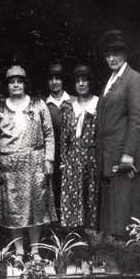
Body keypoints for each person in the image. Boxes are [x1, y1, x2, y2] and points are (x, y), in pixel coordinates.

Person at [0, 65, 56, 259]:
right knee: (13, 210)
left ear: (25, 83)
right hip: (9, 166)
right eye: (12, 82)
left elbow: (49, 134)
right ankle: (18, 250)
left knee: (36, 208)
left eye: (19, 81)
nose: (16, 85)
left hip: (35, 164)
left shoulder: (38, 105)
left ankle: (34, 250)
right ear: (7, 85)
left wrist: (48, 159)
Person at [97, 29, 140, 237]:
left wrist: (128, 154)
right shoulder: (112, 79)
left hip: (125, 159)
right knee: (115, 219)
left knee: (127, 218)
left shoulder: (133, 79)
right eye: (108, 54)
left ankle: (132, 264)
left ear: (125, 54)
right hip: (110, 158)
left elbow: (137, 120)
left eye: (116, 53)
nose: (111, 58)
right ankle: (117, 263)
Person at [58, 65, 99, 229]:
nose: (81, 84)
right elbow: (64, 138)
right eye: (78, 81)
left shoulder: (98, 104)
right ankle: (75, 239)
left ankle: (93, 238)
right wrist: (64, 160)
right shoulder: (68, 107)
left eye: (85, 80)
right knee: (74, 200)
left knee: (91, 197)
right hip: (73, 161)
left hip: (92, 158)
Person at [45, 61, 76, 216]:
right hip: (51, 154)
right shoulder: (43, 105)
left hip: (72, 154)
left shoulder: (74, 101)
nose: (54, 82)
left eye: (58, 78)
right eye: (51, 79)